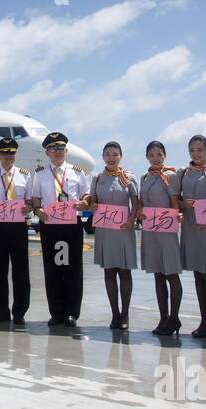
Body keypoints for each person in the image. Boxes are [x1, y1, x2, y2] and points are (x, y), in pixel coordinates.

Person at [30, 132, 91, 338]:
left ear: (66, 151)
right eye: (53, 149)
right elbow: (36, 199)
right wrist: (38, 212)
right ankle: (56, 312)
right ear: (47, 152)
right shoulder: (40, 174)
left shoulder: (77, 172)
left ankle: (72, 313)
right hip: (50, 226)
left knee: (73, 269)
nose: (57, 152)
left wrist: (84, 201)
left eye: (61, 149)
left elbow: (86, 194)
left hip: (71, 226)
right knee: (53, 269)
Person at [175, 135, 206, 338]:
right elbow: (176, 198)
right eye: (192, 150)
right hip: (189, 226)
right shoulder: (183, 173)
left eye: (200, 150)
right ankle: (204, 318)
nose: (196, 154)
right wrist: (182, 203)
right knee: (197, 272)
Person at [87, 141, 139, 333]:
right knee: (109, 272)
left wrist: (132, 219)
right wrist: (92, 206)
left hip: (123, 230)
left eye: (115, 154)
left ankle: (125, 314)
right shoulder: (97, 178)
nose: (111, 157)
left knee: (124, 272)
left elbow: (136, 203)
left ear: (120, 156)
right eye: (108, 154)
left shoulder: (128, 178)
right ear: (103, 157)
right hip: (105, 230)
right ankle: (114, 313)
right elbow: (93, 201)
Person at [0, 136, 31, 331]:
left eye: (11, 153)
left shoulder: (25, 175)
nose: (8, 157)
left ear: (15, 154)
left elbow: (29, 201)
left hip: (18, 227)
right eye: (4, 154)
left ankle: (19, 313)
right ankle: (1, 312)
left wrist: (27, 208)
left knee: (21, 272)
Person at [139, 141, 183, 336]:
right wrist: (139, 213)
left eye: (159, 155)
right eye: (152, 155)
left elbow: (175, 203)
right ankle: (163, 317)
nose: (155, 158)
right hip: (150, 231)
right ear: (147, 157)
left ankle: (174, 317)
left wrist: (176, 215)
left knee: (171, 274)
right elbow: (141, 203)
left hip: (167, 230)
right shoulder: (145, 177)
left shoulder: (170, 176)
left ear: (164, 156)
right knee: (158, 274)